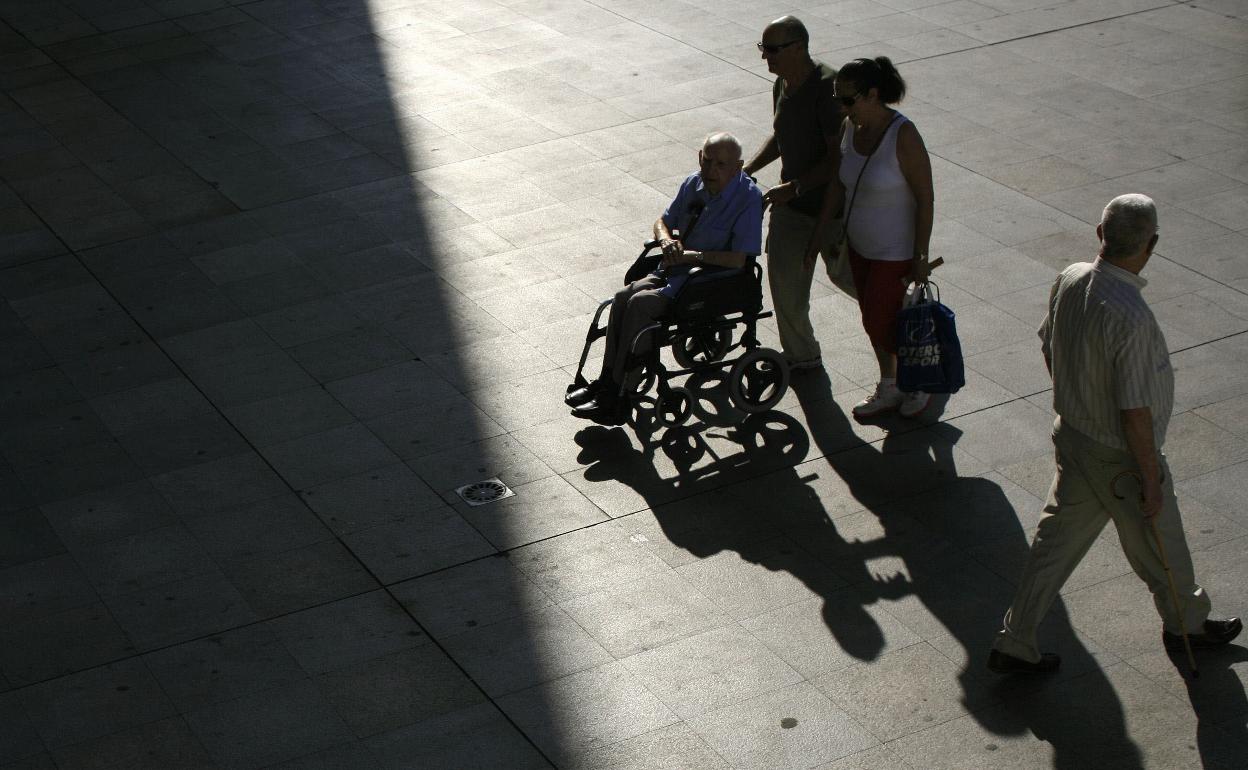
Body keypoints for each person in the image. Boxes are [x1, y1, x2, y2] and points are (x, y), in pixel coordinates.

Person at [988, 194, 1241, 674]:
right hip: (1118, 455)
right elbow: (1135, 410)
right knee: (1160, 537)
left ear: (1100, 234)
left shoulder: (1070, 277)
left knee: (1054, 544)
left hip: (1073, 436)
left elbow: (1049, 346)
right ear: (1153, 244)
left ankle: (1015, 639)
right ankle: (1186, 624)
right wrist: (1149, 476)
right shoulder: (1133, 316)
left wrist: (1077, 399)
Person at [566, 132, 763, 425]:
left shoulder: (748, 199)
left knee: (641, 306)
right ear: (699, 157)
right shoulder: (692, 183)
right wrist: (666, 240)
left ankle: (622, 394)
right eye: (707, 161)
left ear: (738, 167)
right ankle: (608, 381)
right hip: (676, 270)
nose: (711, 170)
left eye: (721, 165)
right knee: (621, 298)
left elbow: (739, 259)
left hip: (708, 280)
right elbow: (662, 222)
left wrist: (691, 256)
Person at [807, 57, 935, 419]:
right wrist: (820, 235)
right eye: (838, 98)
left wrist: (920, 256)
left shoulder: (903, 135)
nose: (842, 107)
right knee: (872, 317)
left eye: (848, 99)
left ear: (874, 94)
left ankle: (917, 381)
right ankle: (890, 383)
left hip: (894, 251)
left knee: (882, 320)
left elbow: (925, 197)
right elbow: (838, 182)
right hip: (859, 246)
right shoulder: (851, 126)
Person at [741, 15, 844, 372]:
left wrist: (797, 186)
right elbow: (782, 134)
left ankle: (902, 320)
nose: (765, 57)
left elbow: (838, 159)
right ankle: (802, 355)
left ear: (799, 47)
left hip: (834, 211)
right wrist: (748, 169)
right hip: (792, 207)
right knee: (785, 285)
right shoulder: (783, 83)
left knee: (848, 277)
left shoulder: (828, 89)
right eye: (762, 48)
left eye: (772, 49)